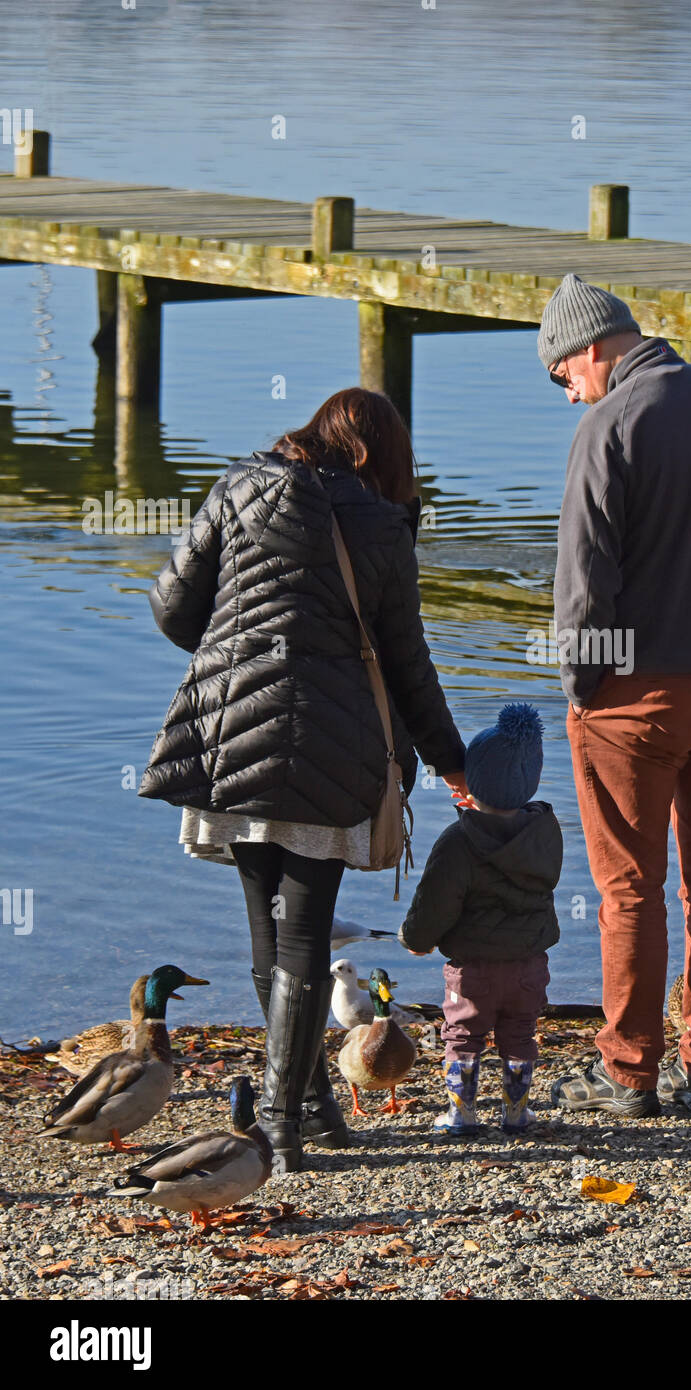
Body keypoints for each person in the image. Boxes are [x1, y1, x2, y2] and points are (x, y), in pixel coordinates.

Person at [139, 387, 468, 1172]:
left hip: (230, 734)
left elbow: (170, 606)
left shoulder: (239, 485)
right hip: (332, 747)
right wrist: (454, 760)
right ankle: (285, 1125)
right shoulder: (383, 526)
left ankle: (313, 1107)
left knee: (269, 932)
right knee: (305, 937)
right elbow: (407, 663)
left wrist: (235, 648)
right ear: (384, 458)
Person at [540, 274, 691, 1119]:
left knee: (630, 885)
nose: (568, 393)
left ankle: (629, 1070)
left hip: (633, 701)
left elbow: (584, 580)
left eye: (561, 375)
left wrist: (580, 687)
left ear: (590, 349)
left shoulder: (610, 424)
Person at [399, 703, 562, 1137]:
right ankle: (516, 1113)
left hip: (473, 968)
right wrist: (487, 806)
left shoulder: (458, 840)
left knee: (463, 1037)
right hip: (530, 963)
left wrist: (416, 937)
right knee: (521, 1033)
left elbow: (436, 899)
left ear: (472, 782)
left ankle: (462, 1114)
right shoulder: (546, 830)